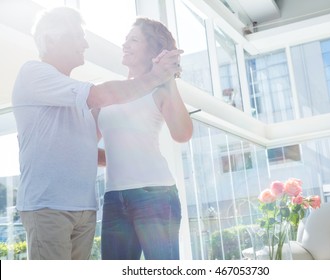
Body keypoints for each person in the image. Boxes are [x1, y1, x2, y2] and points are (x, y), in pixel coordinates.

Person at [11, 7, 182, 260]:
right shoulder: (34, 73)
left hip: (84, 210)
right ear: (51, 39)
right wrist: (157, 76)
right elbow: (101, 94)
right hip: (49, 208)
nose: (85, 43)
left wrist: (131, 160)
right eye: (78, 36)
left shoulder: (74, 97)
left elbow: (87, 151)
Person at [97, 17, 193, 260]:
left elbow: (182, 134)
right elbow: (88, 147)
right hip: (114, 197)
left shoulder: (159, 90)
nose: (125, 44)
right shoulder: (109, 92)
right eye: (126, 39)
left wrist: (167, 78)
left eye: (133, 40)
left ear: (152, 50)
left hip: (156, 195)